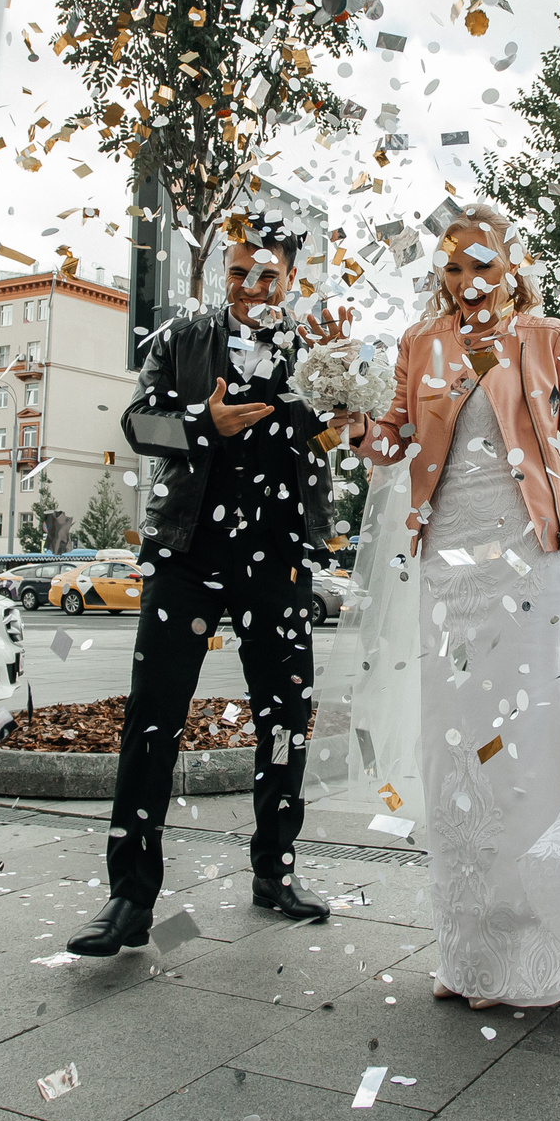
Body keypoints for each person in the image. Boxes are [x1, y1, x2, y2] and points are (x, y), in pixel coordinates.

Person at [353, 201, 560, 1009]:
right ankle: (466, 950)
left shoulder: (549, 338)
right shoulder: (417, 342)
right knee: (455, 761)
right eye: (454, 266)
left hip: (525, 575)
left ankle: (533, 949)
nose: (469, 280)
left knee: (525, 753)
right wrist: (347, 422)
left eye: (484, 262)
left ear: (513, 262)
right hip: (446, 577)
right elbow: (392, 444)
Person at [69, 225, 350, 953]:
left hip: (279, 555)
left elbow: (326, 438)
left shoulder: (314, 348)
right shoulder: (181, 339)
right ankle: (129, 898)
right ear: (224, 272)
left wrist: (341, 414)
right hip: (187, 552)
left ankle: (275, 871)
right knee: (152, 718)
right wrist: (204, 422)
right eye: (239, 272)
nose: (251, 286)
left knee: (285, 716)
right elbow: (139, 423)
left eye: (266, 275)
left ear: (290, 276)